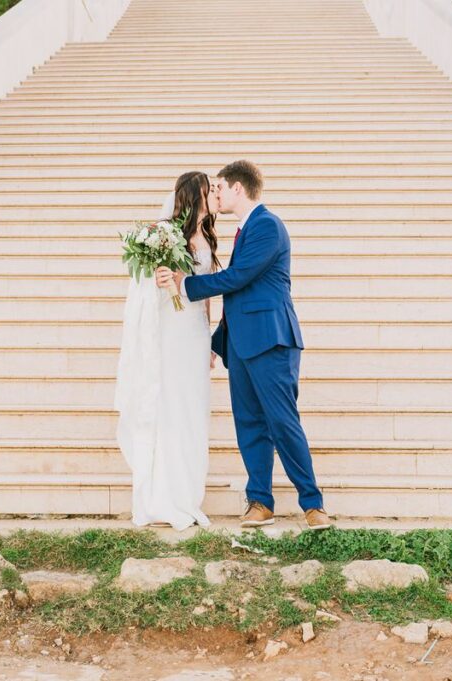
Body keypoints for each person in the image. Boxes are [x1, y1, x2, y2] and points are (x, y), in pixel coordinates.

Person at [156, 160, 333, 531]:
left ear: (238, 188)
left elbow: (239, 279)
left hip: (272, 340)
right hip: (241, 345)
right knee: (249, 425)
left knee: (283, 422)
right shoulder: (243, 230)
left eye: (220, 187)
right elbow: (240, 295)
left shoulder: (267, 225)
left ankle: (313, 504)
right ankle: (260, 502)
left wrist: (184, 284)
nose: (215, 194)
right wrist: (218, 343)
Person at [114, 171, 221, 531]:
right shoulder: (166, 234)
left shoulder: (205, 236)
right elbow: (151, 286)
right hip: (170, 335)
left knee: (193, 411)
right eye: (210, 191)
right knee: (170, 409)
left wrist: (207, 340)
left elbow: (203, 293)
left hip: (193, 335)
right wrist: (157, 281)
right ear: (196, 196)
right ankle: (162, 497)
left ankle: (187, 494)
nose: (215, 196)